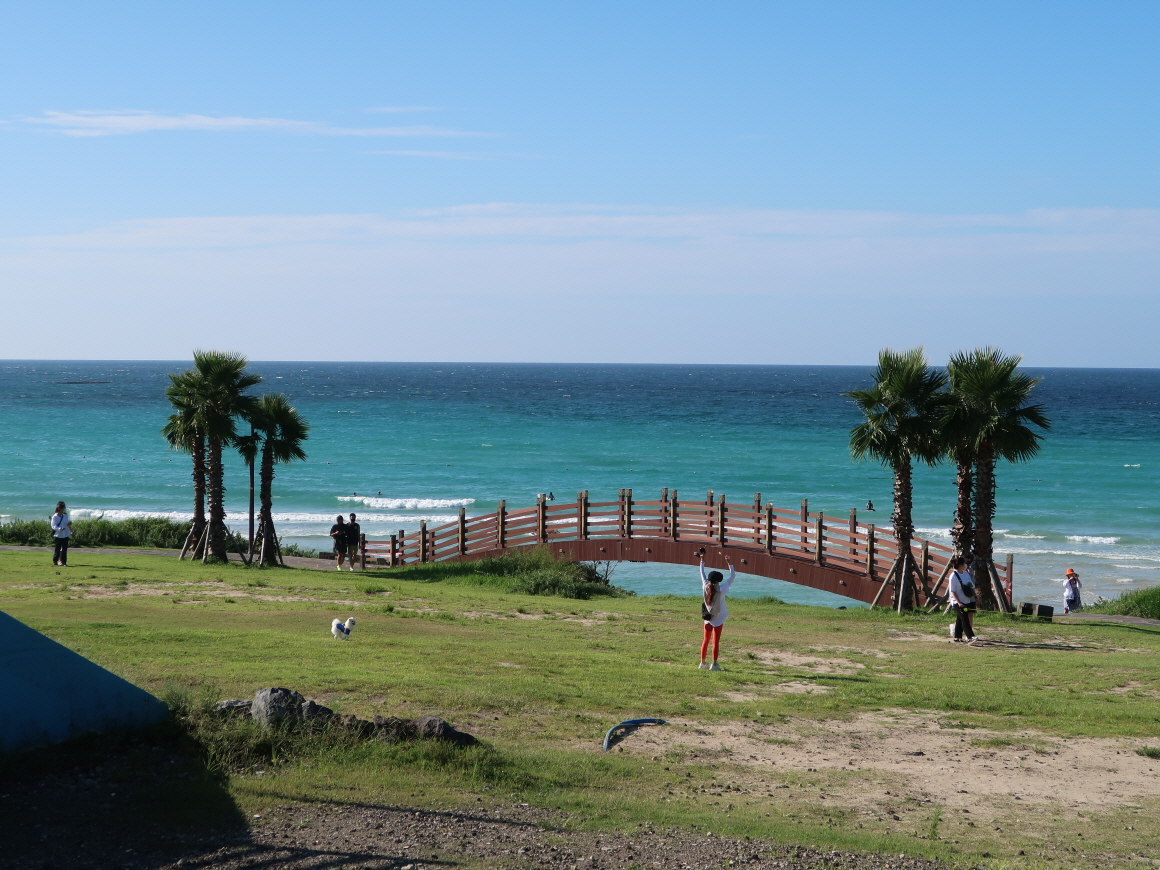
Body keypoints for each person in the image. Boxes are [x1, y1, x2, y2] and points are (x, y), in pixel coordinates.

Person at [699, 552, 735, 670]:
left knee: (705, 640)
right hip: (718, 618)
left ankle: (702, 663)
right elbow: (732, 576)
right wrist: (729, 563)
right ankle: (714, 664)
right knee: (715, 642)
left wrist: (702, 560)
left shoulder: (705, 585)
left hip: (707, 618)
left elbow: (702, 573)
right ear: (718, 580)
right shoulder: (722, 589)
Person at [948, 556, 977, 643]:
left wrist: (975, 596)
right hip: (957, 602)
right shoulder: (953, 576)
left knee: (960, 619)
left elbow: (971, 585)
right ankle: (970, 637)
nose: (965, 565)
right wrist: (959, 602)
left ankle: (957, 637)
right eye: (964, 563)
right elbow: (952, 591)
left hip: (966, 600)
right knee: (965, 619)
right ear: (960, 565)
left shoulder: (965, 573)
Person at [50, 501, 72, 566]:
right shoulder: (55, 516)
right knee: (57, 549)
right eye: (62, 507)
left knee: (64, 550)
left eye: (63, 507)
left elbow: (68, 522)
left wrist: (70, 524)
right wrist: (60, 528)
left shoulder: (65, 516)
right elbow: (53, 526)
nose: (63, 509)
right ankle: (55, 561)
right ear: (58, 508)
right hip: (58, 535)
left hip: (65, 534)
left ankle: (64, 562)